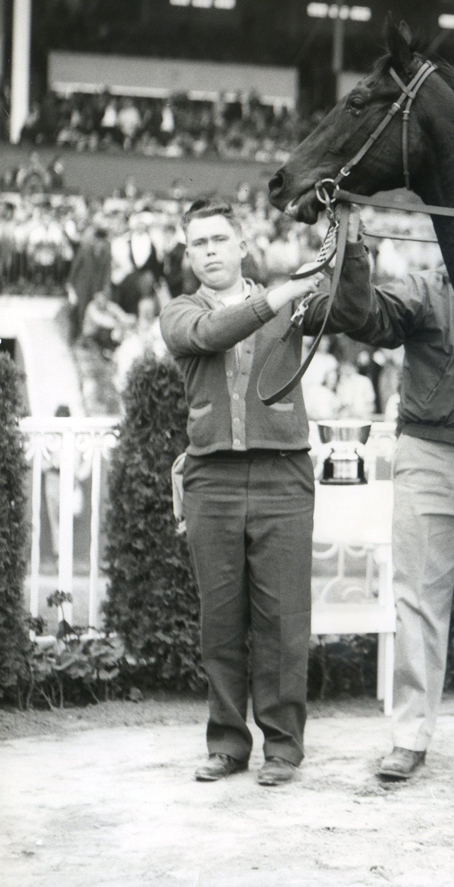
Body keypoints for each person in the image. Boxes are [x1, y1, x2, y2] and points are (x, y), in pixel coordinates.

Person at [159, 198, 369, 786]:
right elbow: (212, 332)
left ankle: (283, 747)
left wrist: (351, 243)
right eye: (197, 243)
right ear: (187, 252)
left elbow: (352, 308)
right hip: (211, 477)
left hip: (283, 476)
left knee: (283, 620)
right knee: (219, 622)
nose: (208, 252)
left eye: (218, 240)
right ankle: (227, 744)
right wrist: (281, 292)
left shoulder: (294, 303)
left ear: (242, 244)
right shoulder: (181, 311)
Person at [325, 252, 454, 781]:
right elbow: (371, 315)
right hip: (428, 456)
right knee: (419, 601)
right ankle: (411, 736)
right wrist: (354, 263)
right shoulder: (424, 287)